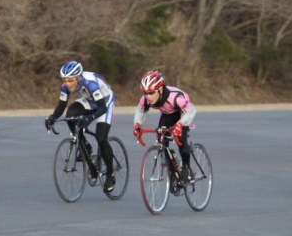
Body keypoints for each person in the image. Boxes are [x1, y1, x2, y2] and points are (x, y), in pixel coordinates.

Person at [44, 61, 117, 192]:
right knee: (70, 115)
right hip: (90, 100)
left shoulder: (90, 84)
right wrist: (52, 117)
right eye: (65, 80)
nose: (68, 83)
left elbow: (102, 108)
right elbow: (61, 106)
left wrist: (90, 118)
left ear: (79, 78)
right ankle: (86, 147)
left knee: (101, 139)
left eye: (71, 80)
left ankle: (110, 174)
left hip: (105, 103)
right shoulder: (65, 86)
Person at [132, 69, 197, 183]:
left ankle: (186, 168)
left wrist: (180, 124)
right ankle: (173, 168)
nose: (148, 97)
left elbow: (191, 111)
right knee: (161, 141)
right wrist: (137, 125)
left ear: (160, 89)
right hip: (166, 116)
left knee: (181, 139)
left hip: (182, 115)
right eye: (145, 93)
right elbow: (140, 111)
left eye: (151, 92)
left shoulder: (176, 98)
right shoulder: (146, 99)